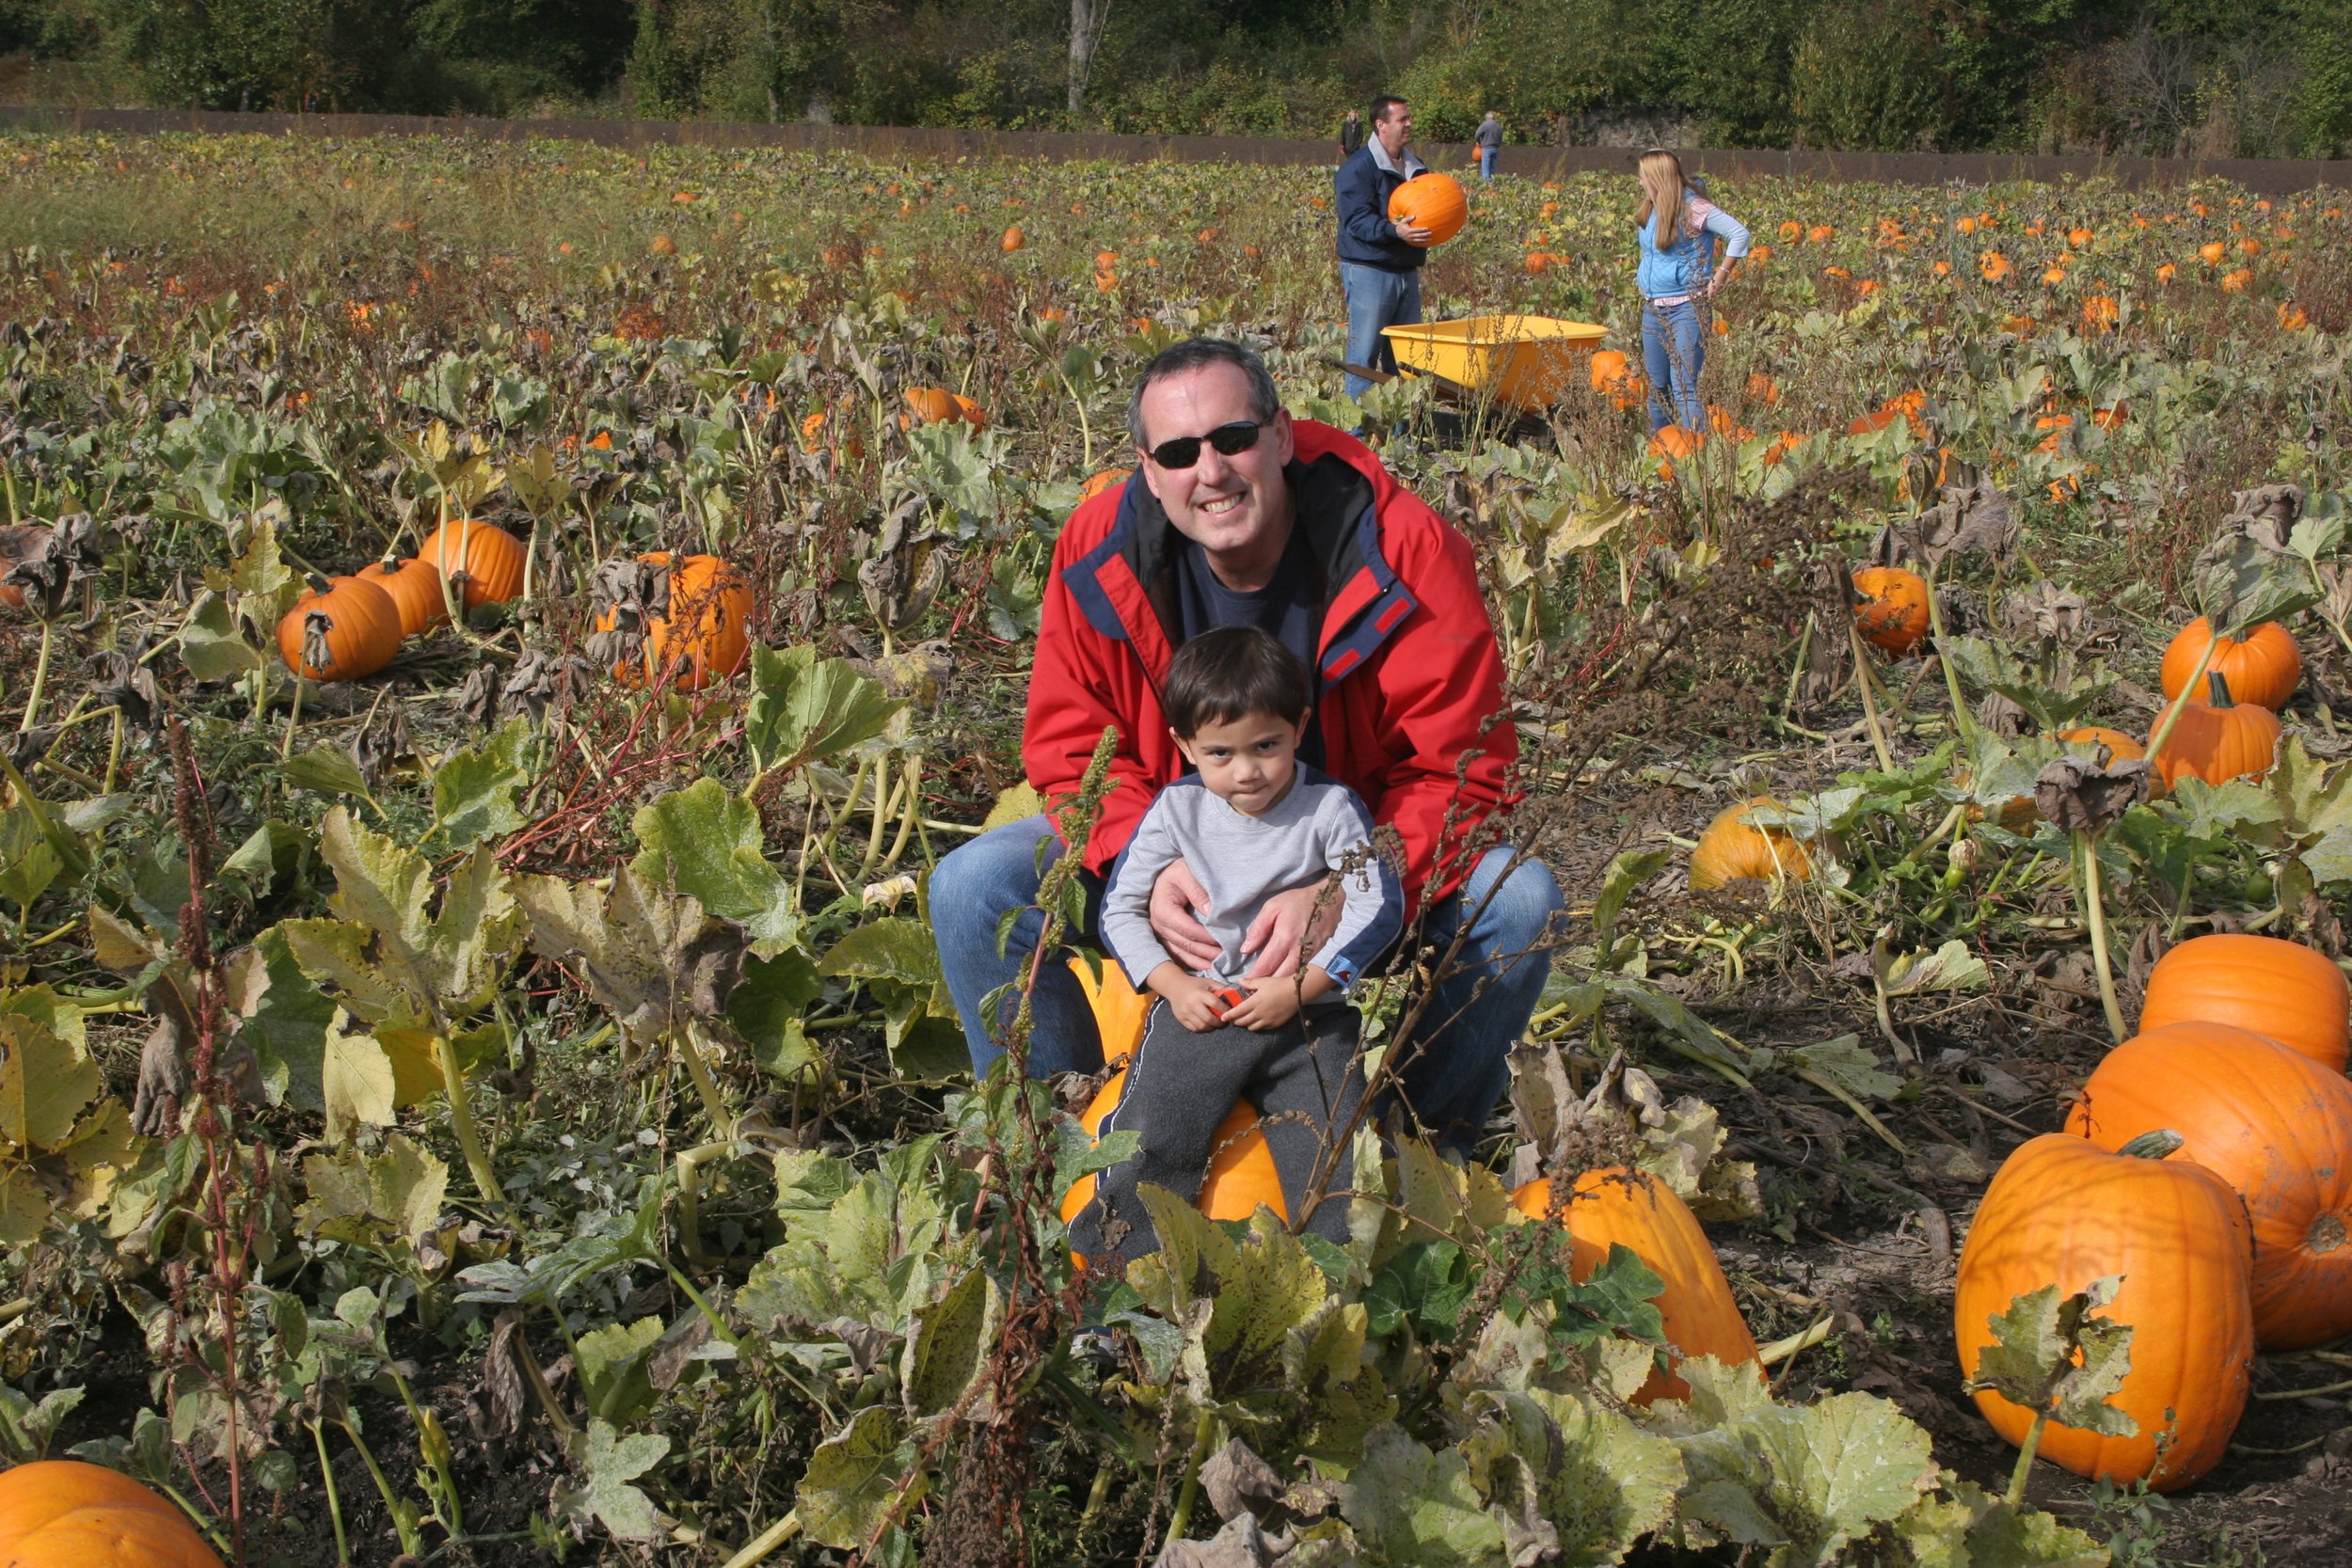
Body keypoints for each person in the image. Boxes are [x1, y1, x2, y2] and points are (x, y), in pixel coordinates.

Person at [931, 337, 1563, 1154]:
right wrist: (1144, 860)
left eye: (1233, 438)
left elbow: (1461, 770)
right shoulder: (1097, 551)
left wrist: (1341, 885)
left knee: (1518, 903)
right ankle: (1058, 1158)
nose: (1211, 471)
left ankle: (1413, 1158)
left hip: (1357, 854)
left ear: (1282, 434)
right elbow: (1073, 746)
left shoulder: (1404, 548)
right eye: (1179, 453)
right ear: (1148, 469)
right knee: (973, 888)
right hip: (1184, 854)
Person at [1069, 626, 1402, 1262]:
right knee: (1154, 1132)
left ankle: (1337, 1279)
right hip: (1205, 1008)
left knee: (1336, 1145)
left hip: (1309, 1016)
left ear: (1299, 727)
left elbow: (1376, 906)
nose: (1247, 771)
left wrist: (1302, 988)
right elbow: (1120, 909)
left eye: (1266, 746)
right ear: (1184, 745)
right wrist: (1174, 985)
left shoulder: (1331, 809)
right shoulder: (1176, 811)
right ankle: (1117, 1272)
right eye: (1220, 753)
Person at [1632, 148, 1750, 435]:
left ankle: (1694, 449)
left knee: (1684, 386)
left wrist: (1720, 276)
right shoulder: (1651, 207)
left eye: (1643, 176)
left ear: (1658, 177)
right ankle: (1661, 447)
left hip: (1687, 308)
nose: (1640, 182)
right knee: (1658, 387)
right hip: (1653, 308)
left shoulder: (1693, 208)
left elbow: (1739, 233)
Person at [1334, 97, 1433, 404]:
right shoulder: (1358, 168)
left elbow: (1430, 209)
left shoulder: (1416, 168)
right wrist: (1394, 230)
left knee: (1406, 358)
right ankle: (1356, 426)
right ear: (1381, 125)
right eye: (1402, 119)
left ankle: (1400, 424)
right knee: (1364, 355)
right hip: (1369, 271)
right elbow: (1356, 221)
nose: (1409, 124)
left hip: (1406, 269)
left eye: (1408, 118)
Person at [1474, 111, 1503, 182]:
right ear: (1494, 118)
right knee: (1492, 166)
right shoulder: (1498, 126)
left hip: (1487, 148)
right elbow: (1500, 137)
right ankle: (1492, 179)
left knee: (1485, 165)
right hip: (1495, 148)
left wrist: (1478, 142)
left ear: (1487, 118)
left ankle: (1486, 181)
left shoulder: (1485, 125)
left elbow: (1477, 134)